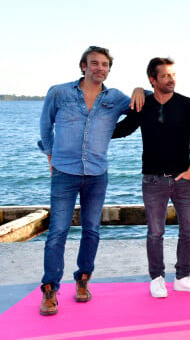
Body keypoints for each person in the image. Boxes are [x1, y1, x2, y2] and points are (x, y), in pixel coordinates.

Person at [37, 46, 144, 315]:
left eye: (105, 64)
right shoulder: (59, 92)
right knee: (57, 232)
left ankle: (83, 279)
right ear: (83, 66)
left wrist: (140, 89)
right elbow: (45, 126)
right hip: (64, 172)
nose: (100, 68)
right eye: (94, 63)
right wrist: (50, 156)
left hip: (97, 174)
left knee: (92, 230)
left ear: (109, 68)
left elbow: (148, 103)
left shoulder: (116, 98)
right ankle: (50, 289)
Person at [113, 57, 190, 298]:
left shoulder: (187, 105)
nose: (171, 79)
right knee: (155, 232)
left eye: (173, 75)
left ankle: (183, 277)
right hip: (153, 180)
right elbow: (123, 130)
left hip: (183, 180)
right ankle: (156, 278)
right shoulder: (143, 105)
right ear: (152, 80)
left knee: (189, 230)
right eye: (165, 75)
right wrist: (92, 130)